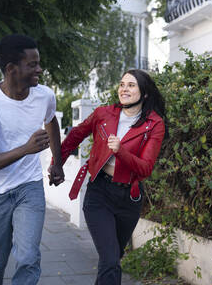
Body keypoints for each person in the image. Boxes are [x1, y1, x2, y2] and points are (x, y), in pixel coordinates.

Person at [50, 69, 167, 285]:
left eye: (131, 85)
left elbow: (145, 168)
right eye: (122, 84)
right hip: (99, 194)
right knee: (111, 259)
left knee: (112, 259)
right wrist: (57, 163)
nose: (124, 89)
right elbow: (75, 135)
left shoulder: (154, 124)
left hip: (128, 199)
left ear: (145, 92)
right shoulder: (104, 113)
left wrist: (120, 151)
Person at [0, 34, 65, 285]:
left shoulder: (44, 96)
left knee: (29, 257)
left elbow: (51, 120)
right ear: (11, 69)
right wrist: (25, 149)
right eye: (32, 65)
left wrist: (57, 161)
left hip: (29, 187)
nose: (39, 70)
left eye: (38, 63)